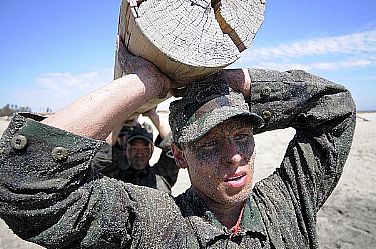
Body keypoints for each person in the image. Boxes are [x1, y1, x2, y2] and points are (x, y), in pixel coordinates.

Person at [0, 37, 356, 248]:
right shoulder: (158, 223)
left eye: (242, 137)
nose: (234, 156)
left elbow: (334, 109)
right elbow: (23, 183)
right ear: (179, 156)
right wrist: (143, 84)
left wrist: (240, 83)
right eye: (208, 145)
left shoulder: (287, 202)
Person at [91, 107, 178, 193]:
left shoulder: (160, 176)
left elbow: (174, 148)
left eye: (144, 148)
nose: (139, 153)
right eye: (134, 148)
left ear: (151, 149)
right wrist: (121, 120)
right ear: (126, 150)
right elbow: (101, 157)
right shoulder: (114, 177)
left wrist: (152, 114)